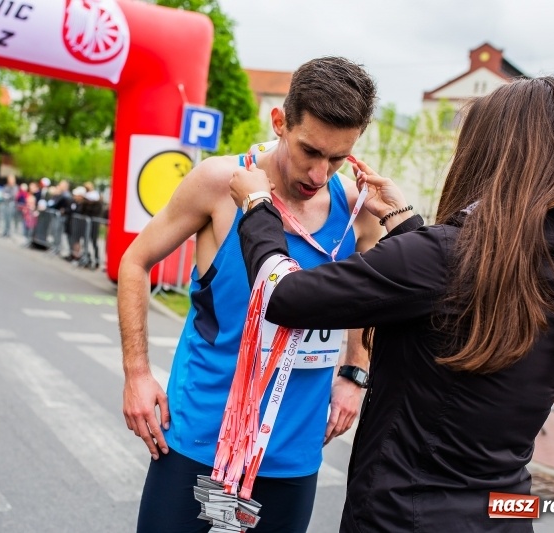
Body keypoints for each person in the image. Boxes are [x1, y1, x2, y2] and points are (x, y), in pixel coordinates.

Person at [229, 76, 554, 532]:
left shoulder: (443, 257)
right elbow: (460, 302)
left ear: (486, 155)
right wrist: (404, 221)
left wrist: (256, 206)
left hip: (406, 515)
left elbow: (284, 295)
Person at [118, 56, 382, 533]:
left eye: (338, 158)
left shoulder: (358, 210)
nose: (320, 173)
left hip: (292, 453)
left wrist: (354, 371)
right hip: (202, 436)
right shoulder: (220, 183)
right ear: (280, 122)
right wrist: (137, 373)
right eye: (310, 151)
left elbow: (369, 295)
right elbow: (135, 261)